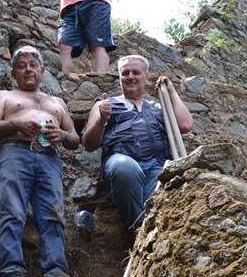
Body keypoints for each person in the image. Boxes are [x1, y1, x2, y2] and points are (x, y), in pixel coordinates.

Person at [0, 46, 82, 277]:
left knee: (53, 216)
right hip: (15, 152)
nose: (28, 69)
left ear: (42, 70)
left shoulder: (56, 102)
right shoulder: (5, 96)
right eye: (22, 65)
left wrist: (62, 134)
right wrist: (15, 122)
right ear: (14, 72)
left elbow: (75, 139)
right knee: (12, 211)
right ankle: (12, 274)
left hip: (49, 158)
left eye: (33, 65)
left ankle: (57, 276)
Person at [81, 55, 192, 231]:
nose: (131, 76)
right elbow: (89, 144)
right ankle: (136, 228)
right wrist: (102, 120)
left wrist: (171, 91)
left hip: (157, 167)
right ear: (119, 77)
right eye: (125, 73)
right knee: (125, 167)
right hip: (121, 163)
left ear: (145, 77)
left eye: (136, 72)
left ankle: (150, 235)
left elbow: (185, 126)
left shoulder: (157, 107)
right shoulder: (106, 104)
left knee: (162, 210)